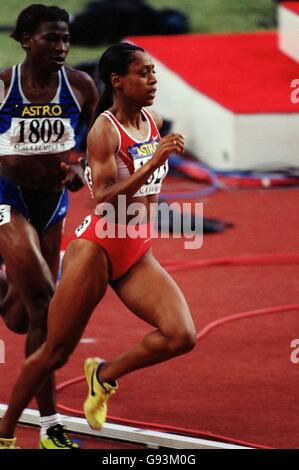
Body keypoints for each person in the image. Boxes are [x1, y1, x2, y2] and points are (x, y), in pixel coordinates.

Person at [0, 42, 196, 448]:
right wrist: (154, 163)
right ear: (117, 81)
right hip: (96, 248)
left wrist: (154, 160)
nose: (153, 79)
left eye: (154, 72)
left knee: (181, 336)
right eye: (143, 73)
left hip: (137, 248)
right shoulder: (106, 130)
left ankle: (102, 376)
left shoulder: (153, 120)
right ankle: (4, 436)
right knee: (53, 352)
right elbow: (104, 198)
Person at [0, 4, 98, 449]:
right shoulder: (3, 87)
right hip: (6, 201)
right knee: (46, 303)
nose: (61, 47)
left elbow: (92, 149)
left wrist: (80, 171)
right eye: (50, 39)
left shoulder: (80, 87)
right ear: (26, 40)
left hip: (53, 205)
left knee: (22, 318)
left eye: (65, 40)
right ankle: (48, 425)